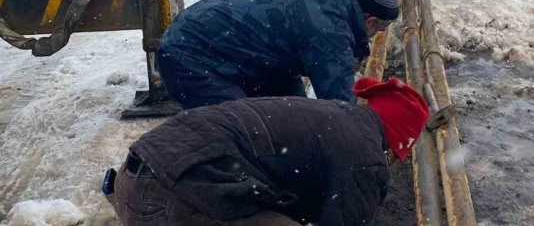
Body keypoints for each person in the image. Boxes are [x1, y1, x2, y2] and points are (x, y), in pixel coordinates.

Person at [104, 77, 430, 226]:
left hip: (135, 176)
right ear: (397, 138)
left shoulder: (334, 116)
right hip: (166, 198)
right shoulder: (365, 160)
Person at [156, 0, 401, 109]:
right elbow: (340, 106)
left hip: (212, 41)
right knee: (243, 131)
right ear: (370, 20)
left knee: (291, 113)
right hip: (191, 56)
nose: (374, 35)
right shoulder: (330, 32)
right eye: (379, 29)